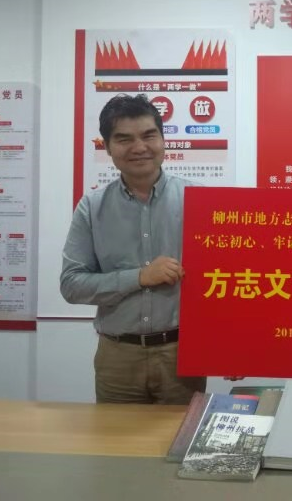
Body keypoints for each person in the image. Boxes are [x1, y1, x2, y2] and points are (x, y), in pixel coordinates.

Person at [60, 94, 206, 404]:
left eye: (149, 135)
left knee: (178, 435)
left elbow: (228, 282)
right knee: (114, 437)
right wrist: (139, 277)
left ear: (163, 140)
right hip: (117, 357)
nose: (139, 147)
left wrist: (231, 349)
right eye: (124, 139)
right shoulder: (92, 207)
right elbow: (71, 285)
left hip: (182, 353)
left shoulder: (200, 201)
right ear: (107, 147)